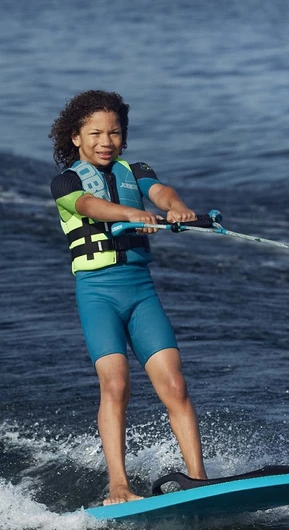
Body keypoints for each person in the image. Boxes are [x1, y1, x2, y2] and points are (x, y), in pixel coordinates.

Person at [49, 90, 207, 504]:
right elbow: (90, 206)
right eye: (96, 133)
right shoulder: (65, 181)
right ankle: (118, 485)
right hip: (98, 294)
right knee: (116, 384)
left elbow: (162, 193)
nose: (106, 141)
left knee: (175, 384)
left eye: (114, 132)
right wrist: (131, 214)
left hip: (140, 291)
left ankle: (200, 481)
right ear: (76, 138)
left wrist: (177, 208)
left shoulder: (134, 170)